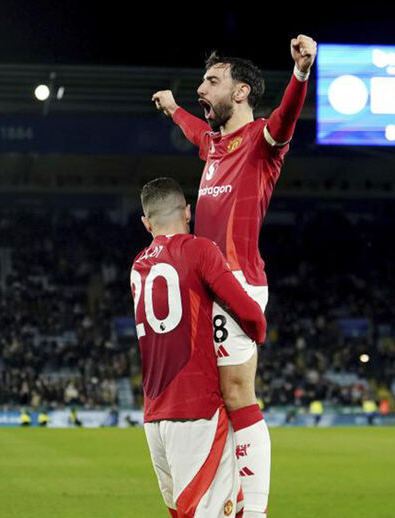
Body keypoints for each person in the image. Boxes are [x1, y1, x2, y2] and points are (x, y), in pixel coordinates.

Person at [152, 35, 316, 518]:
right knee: (217, 398)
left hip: (237, 284)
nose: (202, 88)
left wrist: (301, 72)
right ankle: (231, 502)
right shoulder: (214, 146)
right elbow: (194, 131)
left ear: (240, 92)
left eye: (212, 81)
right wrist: (174, 109)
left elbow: (287, 116)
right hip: (205, 291)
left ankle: (255, 509)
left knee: (238, 394)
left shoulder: (262, 141)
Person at [131, 177, 267, 518]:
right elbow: (249, 312)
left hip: (154, 417)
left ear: (146, 223)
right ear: (188, 212)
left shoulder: (138, 264)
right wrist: (258, 333)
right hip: (196, 413)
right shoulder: (199, 250)